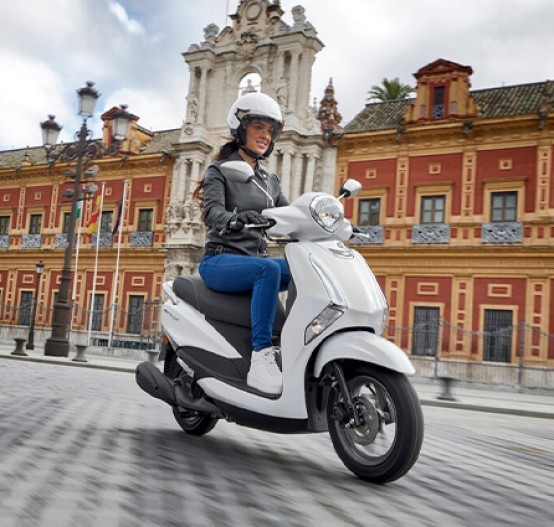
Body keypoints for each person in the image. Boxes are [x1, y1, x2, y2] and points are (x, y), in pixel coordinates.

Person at [193, 92, 290, 395]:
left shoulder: (270, 180)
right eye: (258, 127)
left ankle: (293, 345)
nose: (265, 135)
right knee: (268, 271)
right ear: (241, 128)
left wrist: (329, 222)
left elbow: (291, 214)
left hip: (254, 262)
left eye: (270, 130)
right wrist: (235, 218)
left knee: (303, 268)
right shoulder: (220, 170)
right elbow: (212, 212)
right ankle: (261, 358)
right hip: (221, 260)